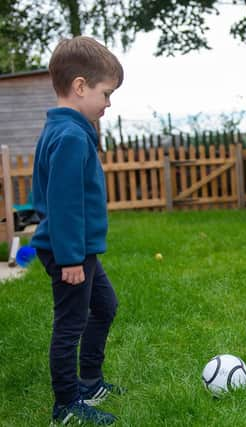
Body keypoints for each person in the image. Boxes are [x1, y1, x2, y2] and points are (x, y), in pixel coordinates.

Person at [30, 36, 124, 425]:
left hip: (78, 247)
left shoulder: (70, 131)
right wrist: (70, 258)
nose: (108, 103)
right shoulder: (69, 137)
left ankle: (90, 380)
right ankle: (67, 404)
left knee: (105, 306)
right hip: (69, 251)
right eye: (106, 93)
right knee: (70, 324)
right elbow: (64, 203)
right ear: (80, 86)